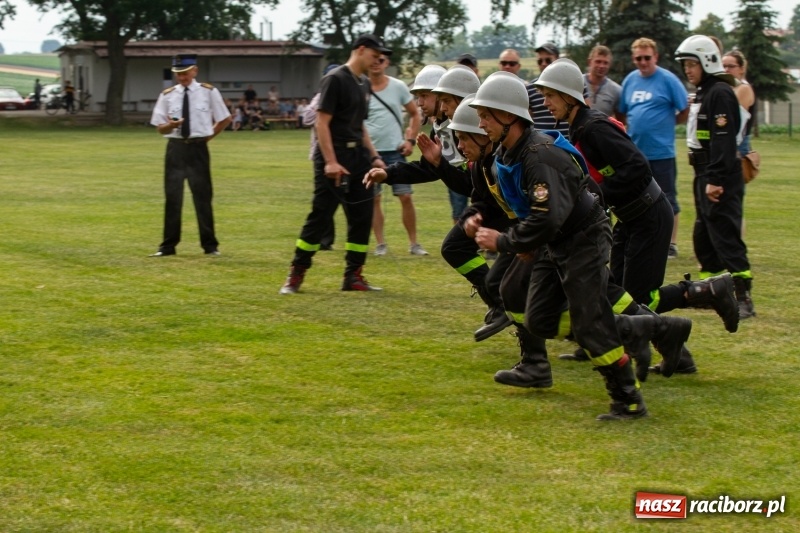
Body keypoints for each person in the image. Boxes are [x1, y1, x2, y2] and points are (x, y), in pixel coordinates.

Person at [468, 72, 689, 420]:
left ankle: (628, 401)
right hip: (556, 241)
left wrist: (506, 242)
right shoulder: (511, 154)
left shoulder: (538, 156)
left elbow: (547, 217)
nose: (480, 122)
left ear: (509, 116)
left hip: (583, 238)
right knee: (539, 319)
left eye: (485, 114)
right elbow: (538, 218)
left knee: (589, 324)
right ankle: (639, 328)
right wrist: (525, 240)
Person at [534, 59, 738, 378]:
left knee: (642, 297)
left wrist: (597, 197)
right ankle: (673, 355)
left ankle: (710, 292)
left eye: (550, 95)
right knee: (616, 291)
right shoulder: (579, 126)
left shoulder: (593, 127)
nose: (546, 103)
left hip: (650, 215)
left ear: (569, 96)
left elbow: (638, 167)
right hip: (630, 218)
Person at [364, 91, 515, 342]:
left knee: (524, 278)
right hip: (495, 207)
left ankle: (549, 338)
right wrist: (388, 174)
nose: (421, 103)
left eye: (427, 96)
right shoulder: (445, 130)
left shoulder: (481, 135)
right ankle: (516, 325)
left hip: (516, 212)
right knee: (460, 250)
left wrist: (440, 167)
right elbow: (444, 173)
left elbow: (469, 183)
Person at [279, 34, 389, 294]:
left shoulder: (363, 84)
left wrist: (374, 156)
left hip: (358, 158)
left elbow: (359, 125)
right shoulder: (335, 79)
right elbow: (321, 123)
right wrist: (330, 162)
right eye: (375, 55)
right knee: (320, 217)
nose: (378, 60)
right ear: (361, 50)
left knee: (362, 218)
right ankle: (296, 274)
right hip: (333, 158)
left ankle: (353, 276)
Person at [676, 35, 755, 319]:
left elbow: (723, 140)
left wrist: (716, 179)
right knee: (705, 235)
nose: (687, 69)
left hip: (718, 173)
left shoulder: (719, 92)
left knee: (726, 235)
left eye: (691, 63)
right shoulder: (705, 92)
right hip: (704, 172)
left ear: (707, 61)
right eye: (685, 64)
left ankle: (743, 297)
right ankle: (712, 292)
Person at [148, 54, 232, 257]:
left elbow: (224, 118)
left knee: (203, 197)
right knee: (173, 197)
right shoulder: (167, 95)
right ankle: (168, 246)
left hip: (198, 148)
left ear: (195, 71)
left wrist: (207, 137)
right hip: (175, 148)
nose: (182, 78)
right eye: (178, 74)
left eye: (185, 73)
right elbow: (160, 128)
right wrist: (171, 125)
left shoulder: (208, 92)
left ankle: (210, 246)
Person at [619, 37, 689, 260]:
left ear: (655, 57)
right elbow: (621, 111)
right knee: (635, 197)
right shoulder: (630, 81)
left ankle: (671, 243)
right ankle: (640, 237)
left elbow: (685, 109)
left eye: (647, 57)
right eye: (638, 58)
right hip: (636, 153)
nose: (643, 62)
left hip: (662, 152)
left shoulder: (668, 80)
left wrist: (668, 124)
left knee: (667, 197)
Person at [365, 53, 426, 257]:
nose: (376, 63)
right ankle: (380, 244)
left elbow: (415, 113)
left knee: (406, 196)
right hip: (370, 152)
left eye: (380, 60)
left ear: (386, 63)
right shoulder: (360, 88)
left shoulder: (398, 86)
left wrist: (410, 140)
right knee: (374, 199)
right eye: (372, 59)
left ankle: (414, 243)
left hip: (395, 150)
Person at [303, 64, 341, 251]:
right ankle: (325, 240)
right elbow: (307, 118)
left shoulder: (348, 94)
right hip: (323, 154)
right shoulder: (319, 98)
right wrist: (324, 109)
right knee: (325, 199)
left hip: (346, 151)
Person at [526, 43, 572, 139]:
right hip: (541, 146)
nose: (543, 64)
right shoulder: (530, 88)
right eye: (540, 61)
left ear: (557, 60)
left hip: (568, 143)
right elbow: (527, 121)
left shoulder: (571, 85)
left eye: (548, 60)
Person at [723, 49, 756, 157]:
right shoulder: (727, 88)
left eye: (731, 66)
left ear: (741, 69)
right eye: (723, 66)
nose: (726, 70)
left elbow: (735, 121)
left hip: (736, 145)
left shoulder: (743, 88)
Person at [583, 45, 621, 118]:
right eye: (598, 61)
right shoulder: (577, 83)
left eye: (605, 63)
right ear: (590, 62)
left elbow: (621, 121)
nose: (601, 66)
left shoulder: (616, 90)